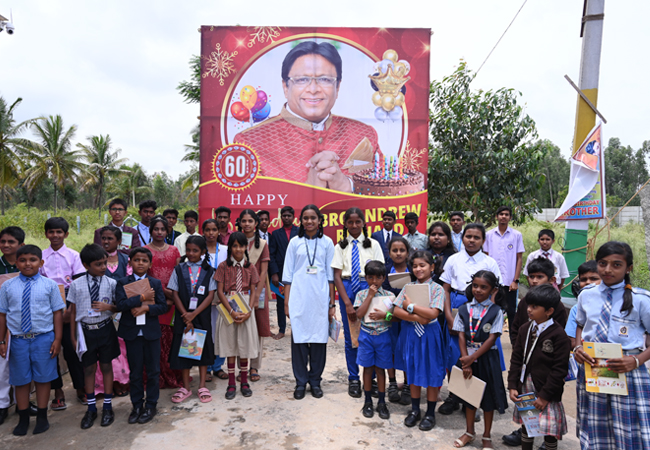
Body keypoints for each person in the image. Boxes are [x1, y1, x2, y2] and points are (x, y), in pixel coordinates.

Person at [233, 41, 382, 193]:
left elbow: (388, 197)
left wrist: (348, 185)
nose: (313, 89)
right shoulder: (250, 143)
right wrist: (307, 192)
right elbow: (247, 211)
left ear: (337, 87)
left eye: (324, 79)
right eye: (302, 80)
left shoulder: (363, 136)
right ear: (286, 87)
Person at [573, 241, 650, 449]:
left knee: (628, 429)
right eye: (602, 263)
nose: (607, 270)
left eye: (616, 265)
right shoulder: (587, 294)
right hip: (593, 368)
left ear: (628, 268)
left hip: (627, 370)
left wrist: (636, 361)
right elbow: (580, 325)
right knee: (596, 428)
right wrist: (577, 348)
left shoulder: (641, 299)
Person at [503, 257, 568, 448]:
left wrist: (546, 395)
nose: (529, 310)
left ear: (549, 311)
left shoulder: (559, 336)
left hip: (546, 389)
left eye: (534, 307)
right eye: (528, 306)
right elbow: (516, 359)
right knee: (527, 427)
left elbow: (559, 369)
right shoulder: (525, 329)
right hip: (526, 386)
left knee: (549, 432)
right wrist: (513, 384)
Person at [438, 223, 501, 417]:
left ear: (483, 240)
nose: (472, 240)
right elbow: (445, 289)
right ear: (462, 238)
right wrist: (449, 316)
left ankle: (473, 399)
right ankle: (454, 396)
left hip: (483, 308)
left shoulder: (490, 262)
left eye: (476, 237)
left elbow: (494, 293)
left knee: (478, 354)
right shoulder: (453, 260)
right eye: (468, 236)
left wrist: (486, 317)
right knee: (455, 354)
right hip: (457, 303)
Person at [0, 245, 64, 436]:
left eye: (33, 260)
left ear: (41, 263)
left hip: (43, 338)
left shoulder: (49, 285)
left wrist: (58, 339)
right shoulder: (7, 286)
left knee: (43, 378)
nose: (28, 264)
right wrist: (2, 341)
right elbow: (2, 314)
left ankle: (42, 416)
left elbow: (57, 313)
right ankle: (23, 417)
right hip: (18, 340)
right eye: (23, 260)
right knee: (21, 380)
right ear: (17, 263)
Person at [282, 205, 335, 400]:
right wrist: (286, 303)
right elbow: (287, 274)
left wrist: (331, 304)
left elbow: (330, 276)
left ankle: (315, 382)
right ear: (301, 221)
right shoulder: (294, 242)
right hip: (299, 298)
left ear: (320, 220)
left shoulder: (328, 242)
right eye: (306, 218)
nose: (309, 221)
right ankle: (300, 382)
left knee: (319, 341)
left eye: (313, 218)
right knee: (299, 341)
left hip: (320, 299)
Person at [332, 207, 384, 398]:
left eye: (357, 222)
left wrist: (373, 290)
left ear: (363, 223)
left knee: (373, 334)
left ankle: (372, 378)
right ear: (345, 224)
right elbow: (337, 276)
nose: (354, 225)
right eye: (350, 222)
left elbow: (380, 272)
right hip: (348, 288)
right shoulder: (340, 247)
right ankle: (354, 378)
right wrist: (346, 303)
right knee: (352, 337)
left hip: (369, 286)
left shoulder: (374, 245)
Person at [452, 270, 508, 449]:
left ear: (493, 290)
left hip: (487, 358)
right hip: (466, 356)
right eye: (475, 286)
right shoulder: (463, 309)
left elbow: (492, 338)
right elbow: (461, 335)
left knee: (488, 400)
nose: (478, 290)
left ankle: (487, 435)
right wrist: (465, 359)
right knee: (469, 396)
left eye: (484, 287)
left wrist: (472, 358)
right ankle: (469, 431)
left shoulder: (497, 311)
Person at [392, 251, 445, 431]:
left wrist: (411, 307)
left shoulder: (437, 289)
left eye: (422, 265)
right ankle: (415, 410)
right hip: (411, 333)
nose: (418, 269)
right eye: (414, 266)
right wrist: (417, 318)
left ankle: (430, 413)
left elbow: (433, 313)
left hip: (430, 334)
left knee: (431, 373)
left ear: (432, 267)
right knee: (412, 371)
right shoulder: (408, 288)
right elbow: (396, 311)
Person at [69, 244, 120, 430]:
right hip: (85, 332)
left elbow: (118, 307)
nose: (104, 267)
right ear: (85, 265)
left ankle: (107, 407)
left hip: (105, 329)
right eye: (98, 264)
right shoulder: (76, 284)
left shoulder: (111, 283)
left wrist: (109, 308)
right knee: (89, 369)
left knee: (107, 366)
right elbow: (73, 312)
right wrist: (74, 338)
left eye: (105, 263)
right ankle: (91, 408)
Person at [115, 247, 167, 424]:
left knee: (153, 371)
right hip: (132, 334)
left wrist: (146, 307)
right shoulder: (122, 282)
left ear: (150, 264)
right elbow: (120, 305)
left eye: (144, 260)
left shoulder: (155, 283)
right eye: (137, 260)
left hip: (150, 333)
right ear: (130, 262)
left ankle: (151, 405)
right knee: (135, 372)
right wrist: (141, 297)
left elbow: (163, 306)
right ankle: (137, 405)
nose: (140, 263)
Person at [40, 217, 86, 410]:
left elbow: (78, 285)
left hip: (69, 302)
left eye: (59, 232)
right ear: (46, 234)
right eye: (51, 232)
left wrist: (71, 311)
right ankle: (57, 391)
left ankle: (80, 387)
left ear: (66, 234)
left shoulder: (74, 256)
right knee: (50, 350)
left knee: (71, 349)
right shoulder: (40, 256)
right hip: (45, 303)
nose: (55, 235)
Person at [168, 236, 216, 404]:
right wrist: (186, 316)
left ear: (203, 252)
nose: (191, 253)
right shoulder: (179, 269)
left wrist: (194, 314)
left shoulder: (210, 271)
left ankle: (202, 385)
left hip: (201, 317)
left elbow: (210, 295)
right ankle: (186, 387)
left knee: (201, 350)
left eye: (195, 250)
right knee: (184, 350)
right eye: (188, 250)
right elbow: (174, 293)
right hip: (183, 317)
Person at [214, 232, 260, 400]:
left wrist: (248, 311)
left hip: (246, 305)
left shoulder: (251, 267)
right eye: (234, 246)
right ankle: (231, 383)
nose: (238, 249)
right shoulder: (223, 267)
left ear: (246, 247)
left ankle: (244, 382)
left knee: (244, 344)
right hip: (229, 305)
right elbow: (219, 291)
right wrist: (231, 311)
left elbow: (254, 290)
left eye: (241, 245)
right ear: (230, 248)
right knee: (230, 344)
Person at [354, 260, 395, 420]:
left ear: (383, 278)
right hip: (366, 335)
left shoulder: (389, 296)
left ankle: (382, 402)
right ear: (366, 278)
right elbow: (359, 314)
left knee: (380, 369)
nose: (374, 281)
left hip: (383, 335)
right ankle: (368, 401)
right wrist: (370, 296)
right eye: (370, 277)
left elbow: (395, 318)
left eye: (378, 278)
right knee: (368, 369)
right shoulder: (361, 294)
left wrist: (385, 315)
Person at [145, 215, 182, 389]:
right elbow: (143, 278)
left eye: (162, 229)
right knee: (156, 341)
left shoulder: (174, 250)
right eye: (156, 229)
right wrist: (161, 297)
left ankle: (173, 374)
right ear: (151, 231)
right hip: (153, 302)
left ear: (167, 231)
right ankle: (158, 376)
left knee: (173, 338)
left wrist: (172, 297)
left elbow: (178, 275)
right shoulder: (144, 251)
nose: (159, 232)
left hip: (173, 301)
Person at [237, 210, 271, 382]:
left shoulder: (263, 244)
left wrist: (257, 295)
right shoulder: (235, 241)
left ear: (256, 223)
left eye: (250, 221)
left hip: (259, 290)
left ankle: (254, 367)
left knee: (257, 329)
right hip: (239, 290)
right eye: (244, 221)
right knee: (240, 327)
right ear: (240, 223)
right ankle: (241, 367)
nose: (247, 224)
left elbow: (264, 271)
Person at [98, 226, 131, 398]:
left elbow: (131, 285)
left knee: (122, 348)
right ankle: (105, 385)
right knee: (104, 349)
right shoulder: (97, 260)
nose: (106, 241)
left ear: (119, 241)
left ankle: (121, 381)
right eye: (103, 238)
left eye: (110, 238)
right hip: (100, 312)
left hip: (122, 311)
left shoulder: (126, 260)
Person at [483, 206, 525, 330]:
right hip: (492, 282)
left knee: (511, 312)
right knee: (491, 310)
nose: (503, 217)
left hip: (509, 283)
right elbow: (486, 258)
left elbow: (519, 259)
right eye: (501, 214)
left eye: (506, 214)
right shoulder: (489, 235)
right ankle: (490, 339)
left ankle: (513, 342)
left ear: (510, 217)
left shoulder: (516, 235)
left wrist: (515, 280)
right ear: (496, 217)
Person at [382, 237, 411, 405]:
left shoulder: (413, 271)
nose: (398, 253)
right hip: (390, 318)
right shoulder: (385, 271)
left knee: (407, 351)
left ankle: (407, 384)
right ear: (389, 252)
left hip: (408, 319)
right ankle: (392, 383)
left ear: (407, 252)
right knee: (390, 350)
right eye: (395, 250)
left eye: (402, 250)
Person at [0, 226, 24, 425]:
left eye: (11, 242)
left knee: (21, 361)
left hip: (23, 319)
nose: (6, 245)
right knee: (2, 364)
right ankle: (2, 404)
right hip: (2, 318)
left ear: (21, 245)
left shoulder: (26, 264)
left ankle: (22, 402)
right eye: (3, 242)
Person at [202, 219, 228, 381]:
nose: (211, 233)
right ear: (203, 232)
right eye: (207, 230)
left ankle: (218, 366)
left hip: (221, 296)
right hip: (203, 296)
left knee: (220, 331)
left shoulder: (225, 250)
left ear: (219, 231)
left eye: (214, 230)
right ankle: (207, 366)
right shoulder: (198, 250)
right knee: (206, 330)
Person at [269, 206, 298, 340]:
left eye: (289, 216)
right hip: (280, 273)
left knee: (298, 300)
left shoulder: (300, 232)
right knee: (281, 301)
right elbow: (272, 255)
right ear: (281, 217)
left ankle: (297, 329)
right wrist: (274, 272)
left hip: (297, 272)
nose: (286, 218)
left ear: (293, 217)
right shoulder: (275, 234)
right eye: (284, 216)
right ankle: (281, 329)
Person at [565, 260, 601, 348]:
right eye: (583, 280)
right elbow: (572, 342)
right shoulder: (576, 309)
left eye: (594, 279)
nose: (588, 282)